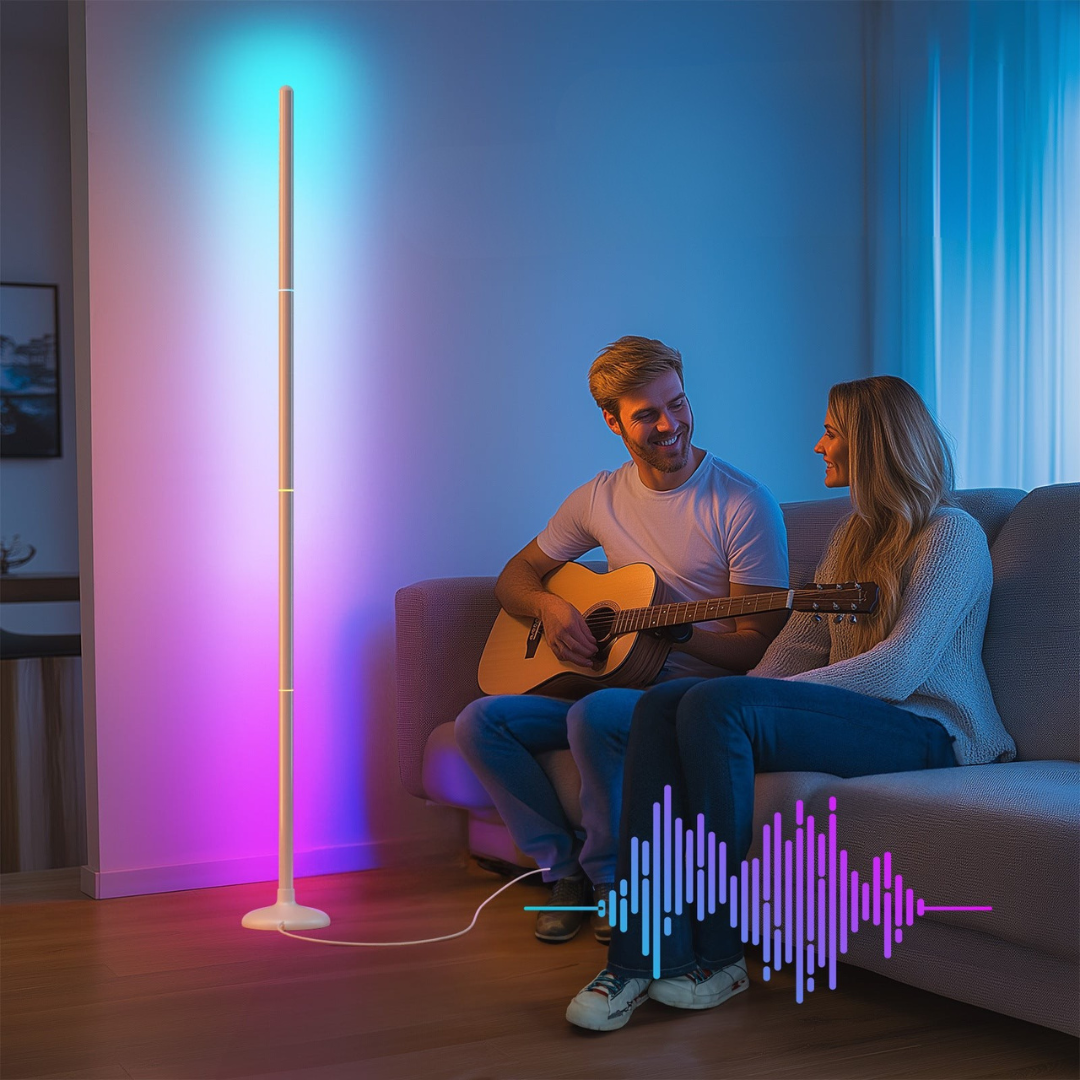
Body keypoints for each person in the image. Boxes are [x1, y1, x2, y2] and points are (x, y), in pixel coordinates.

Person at [567, 374, 1017, 1029]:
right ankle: (640, 958)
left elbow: (899, 669)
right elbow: (799, 646)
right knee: (670, 705)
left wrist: (753, 702)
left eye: (831, 433)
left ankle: (719, 958)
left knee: (717, 706)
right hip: (863, 721)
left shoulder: (952, 535)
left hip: (932, 731)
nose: (818, 445)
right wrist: (742, 694)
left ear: (871, 442)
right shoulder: (850, 538)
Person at [455, 336, 789, 944]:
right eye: (647, 415)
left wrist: (681, 633)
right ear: (613, 422)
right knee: (482, 722)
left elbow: (760, 646)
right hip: (616, 681)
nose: (670, 425)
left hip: (690, 699)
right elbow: (515, 576)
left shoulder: (743, 504)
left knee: (596, 713)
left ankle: (616, 883)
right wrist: (552, 607)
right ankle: (563, 873)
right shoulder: (599, 498)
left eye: (678, 404)